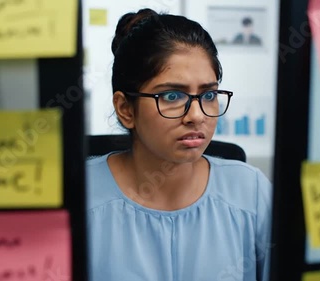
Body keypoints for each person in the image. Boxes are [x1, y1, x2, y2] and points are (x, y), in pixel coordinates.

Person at [86, 8, 272, 281]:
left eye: (208, 94)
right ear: (126, 109)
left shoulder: (251, 193)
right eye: (172, 95)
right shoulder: (81, 197)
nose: (196, 115)